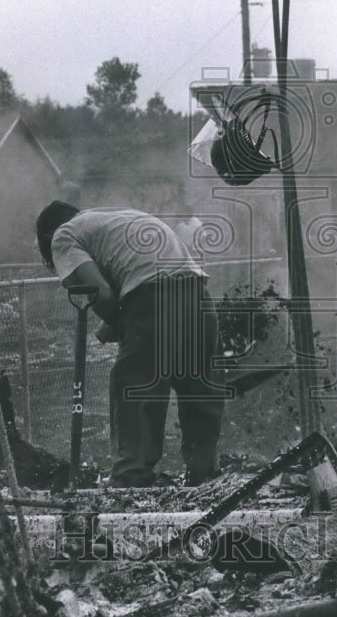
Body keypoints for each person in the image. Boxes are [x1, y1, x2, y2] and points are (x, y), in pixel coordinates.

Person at [36, 202, 225, 487]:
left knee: (135, 386)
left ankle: (131, 478)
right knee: (198, 388)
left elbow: (100, 292)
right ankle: (204, 474)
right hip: (197, 295)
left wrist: (120, 322)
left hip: (153, 300)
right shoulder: (115, 216)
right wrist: (122, 324)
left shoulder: (63, 235)